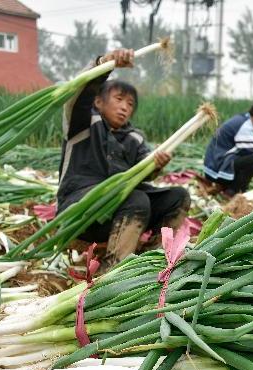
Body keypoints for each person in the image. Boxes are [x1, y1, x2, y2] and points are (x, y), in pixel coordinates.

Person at [56, 49, 191, 271]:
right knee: (135, 199)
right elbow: (77, 95)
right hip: (80, 212)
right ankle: (113, 270)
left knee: (178, 197)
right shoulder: (83, 123)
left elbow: (144, 165)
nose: (124, 107)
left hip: (119, 212)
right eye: (119, 99)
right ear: (98, 102)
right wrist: (103, 64)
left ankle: (157, 257)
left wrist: (156, 165)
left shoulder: (134, 137)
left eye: (130, 104)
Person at [203, 102, 253, 196]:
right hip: (216, 168)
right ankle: (233, 192)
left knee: (249, 158)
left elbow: (250, 148)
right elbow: (249, 154)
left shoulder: (242, 119)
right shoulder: (246, 126)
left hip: (212, 166)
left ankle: (227, 186)